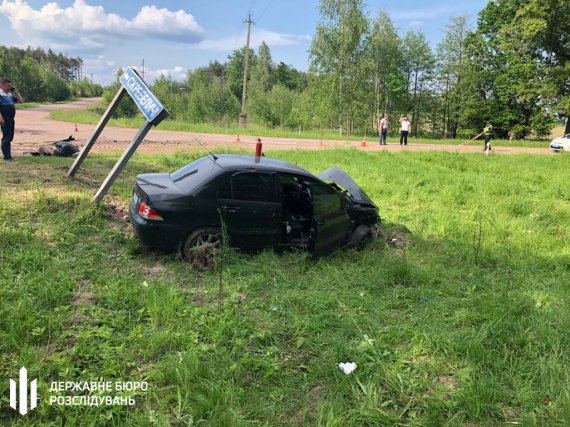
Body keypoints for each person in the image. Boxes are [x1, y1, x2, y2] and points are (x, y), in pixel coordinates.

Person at [0, 79, 24, 161]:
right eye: (8, 86)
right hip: (4, 118)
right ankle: (6, 157)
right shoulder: (0, 94)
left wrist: (16, 91)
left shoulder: (9, 94)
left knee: (9, 137)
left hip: (11, 118)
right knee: (6, 137)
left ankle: (8, 155)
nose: (10, 87)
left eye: (11, 86)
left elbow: (21, 101)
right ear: (2, 85)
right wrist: (1, 118)